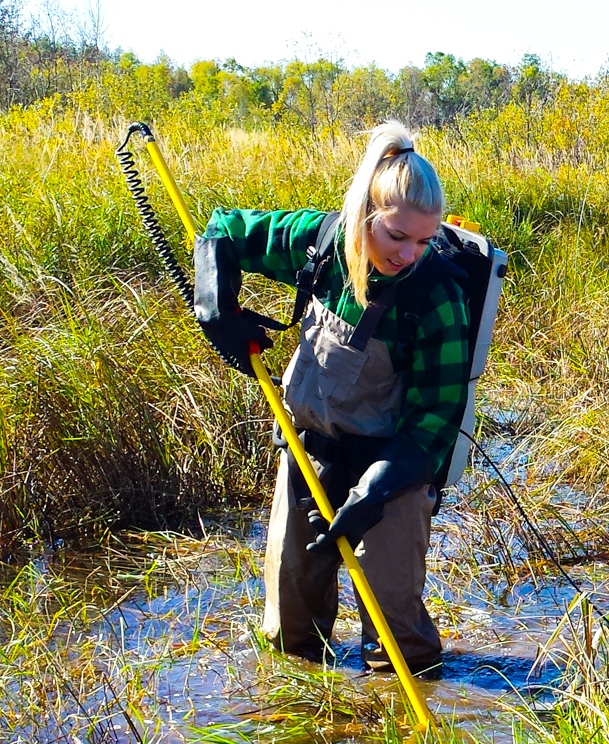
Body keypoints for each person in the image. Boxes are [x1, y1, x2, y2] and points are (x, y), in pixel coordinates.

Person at [201, 121, 471, 674]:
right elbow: (223, 230)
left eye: (423, 240)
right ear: (364, 217)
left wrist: (375, 490)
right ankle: (301, 723)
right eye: (396, 236)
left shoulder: (436, 293)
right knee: (289, 628)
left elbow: (436, 418)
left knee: (397, 637)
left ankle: (408, 715)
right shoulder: (320, 243)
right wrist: (216, 307)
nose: (409, 254)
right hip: (310, 445)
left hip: (393, 466)